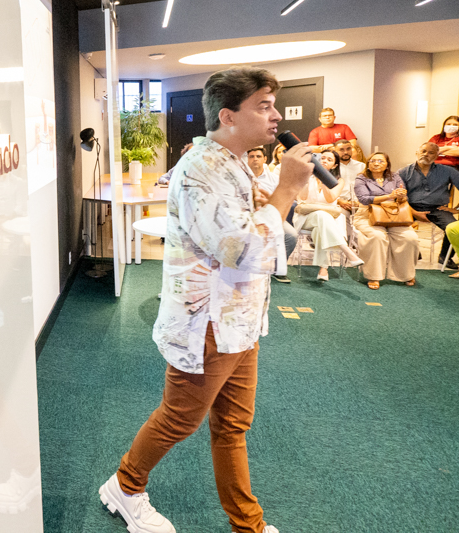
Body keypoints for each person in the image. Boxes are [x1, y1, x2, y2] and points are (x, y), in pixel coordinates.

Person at [99, 66, 312, 533]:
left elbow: (258, 229)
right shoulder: (200, 170)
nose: (277, 116)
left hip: (242, 318)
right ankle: (125, 486)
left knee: (232, 426)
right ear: (228, 116)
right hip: (207, 322)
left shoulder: (235, 162)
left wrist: (277, 192)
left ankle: (248, 525)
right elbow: (241, 249)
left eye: (274, 105)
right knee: (179, 419)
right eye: (264, 106)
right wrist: (287, 189)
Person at [397, 142, 459, 268]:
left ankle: (445, 257)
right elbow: (399, 196)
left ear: (436, 156)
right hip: (410, 207)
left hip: (438, 208)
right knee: (396, 226)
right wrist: (414, 212)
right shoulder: (403, 172)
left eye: (431, 153)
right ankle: (413, 251)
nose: (426, 154)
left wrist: (457, 208)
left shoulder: (447, 171)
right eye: (423, 151)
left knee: (454, 228)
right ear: (417, 153)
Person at [352, 152, 419, 290]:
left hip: (394, 215)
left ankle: (406, 274)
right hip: (367, 215)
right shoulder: (361, 178)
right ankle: (374, 276)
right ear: (368, 164)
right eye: (373, 161)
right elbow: (363, 199)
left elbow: (403, 197)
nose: (376, 163)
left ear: (387, 165)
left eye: (380, 161)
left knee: (409, 237)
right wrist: (389, 196)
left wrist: (401, 196)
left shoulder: (395, 177)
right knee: (377, 236)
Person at [293, 148, 363, 281]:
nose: (324, 161)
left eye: (329, 160)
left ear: (335, 165)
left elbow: (330, 199)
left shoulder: (339, 181)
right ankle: (346, 250)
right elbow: (302, 197)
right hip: (306, 217)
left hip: (329, 219)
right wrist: (307, 177)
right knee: (321, 215)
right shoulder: (304, 175)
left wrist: (323, 178)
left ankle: (323, 269)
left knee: (320, 225)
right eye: (322, 158)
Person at [247, 146, 297, 283]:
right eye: (251, 156)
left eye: (258, 156)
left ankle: (276, 267)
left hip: (271, 215)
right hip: (247, 216)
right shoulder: (241, 177)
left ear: (265, 159)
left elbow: (284, 200)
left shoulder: (275, 179)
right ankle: (250, 267)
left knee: (291, 235)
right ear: (247, 159)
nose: (255, 159)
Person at [333, 139, 365, 211]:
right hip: (339, 204)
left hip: (359, 204)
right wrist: (338, 201)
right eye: (341, 150)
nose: (346, 152)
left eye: (348, 149)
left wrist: (360, 201)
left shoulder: (362, 167)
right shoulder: (331, 167)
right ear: (335, 151)